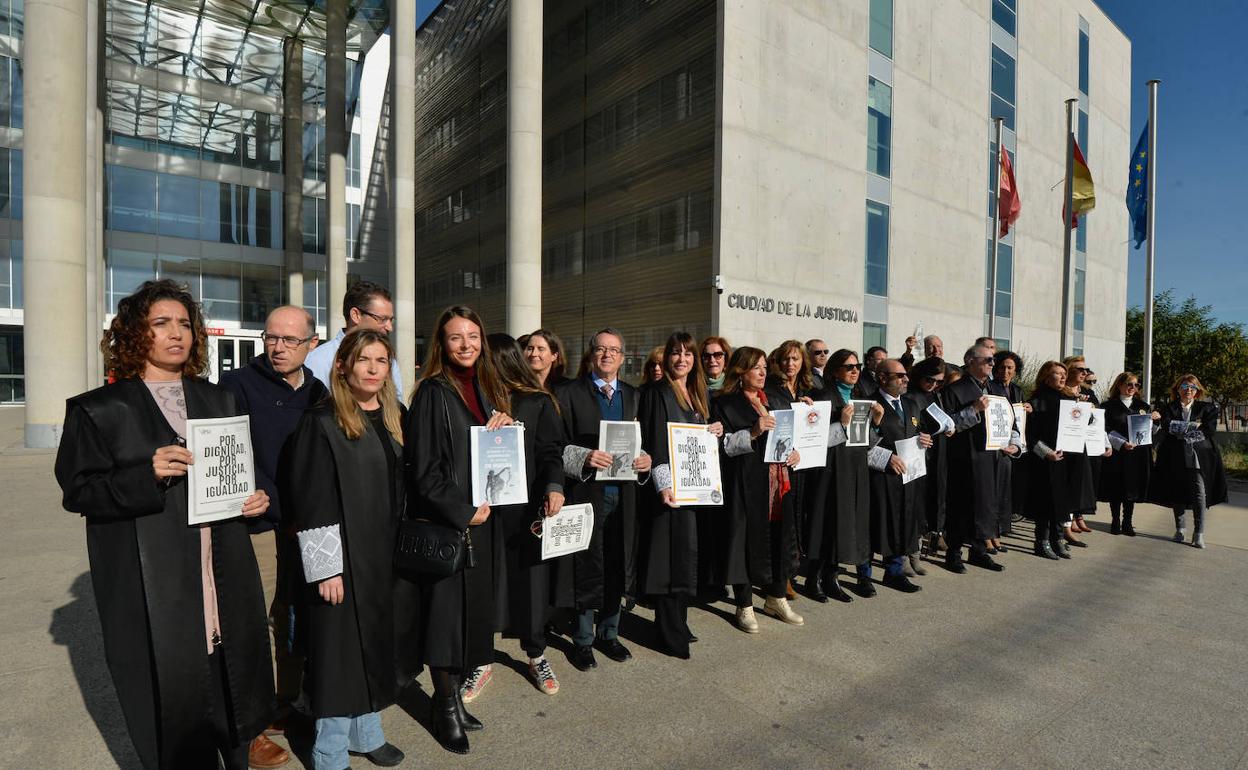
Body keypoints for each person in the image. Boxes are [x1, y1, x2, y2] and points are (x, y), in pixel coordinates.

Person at [55, 279, 273, 770]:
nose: (177, 333)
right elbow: (79, 491)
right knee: (177, 705)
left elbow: (237, 470)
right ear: (136, 333)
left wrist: (254, 496)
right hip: (159, 586)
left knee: (233, 690)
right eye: (161, 323)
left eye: (184, 324)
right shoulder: (99, 409)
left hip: (221, 573)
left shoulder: (220, 400)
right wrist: (143, 474)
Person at [281, 329, 407, 770]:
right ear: (342, 366)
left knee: (372, 647)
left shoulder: (395, 416)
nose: (373, 369)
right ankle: (329, 751)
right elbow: (310, 497)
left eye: (381, 361)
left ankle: (366, 732)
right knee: (338, 657)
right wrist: (325, 568)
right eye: (364, 360)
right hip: (342, 559)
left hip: (382, 559)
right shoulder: (322, 421)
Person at [220, 306, 327, 769]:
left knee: (295, 615)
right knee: (257, 620)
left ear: (312, 344)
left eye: (290, 340)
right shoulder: (238, 386)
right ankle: (253, 724)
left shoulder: (319, 392)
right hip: (260, 525)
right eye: (271, 338)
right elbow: (229, 452)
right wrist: (259, 496)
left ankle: (285, 704)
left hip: (305, 525)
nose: (278, 347)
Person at [404, 306, 514, 754]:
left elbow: (487, 454)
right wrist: (460, 510)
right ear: (441, 344)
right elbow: (424, 471)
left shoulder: (488, 389)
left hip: (482, 524)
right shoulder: (433, 392)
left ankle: (451, 699)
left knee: (470, 618)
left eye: (473, 335)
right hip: (453, 523)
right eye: (455, 337)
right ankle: (444, 705)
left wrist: (505, 430)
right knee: (445, 620)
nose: (466, 344)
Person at [470, 334, 569, 695]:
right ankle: (480, 658)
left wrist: (554, 487)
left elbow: (550, 452)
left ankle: (536, 653)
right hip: (482, 511)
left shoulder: (537, 401)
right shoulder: (473, 399)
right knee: (483, 584)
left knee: (530, 583)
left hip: (525, 508)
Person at [554, 328, 651, 671]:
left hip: (623, 495)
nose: (607, 355)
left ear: (623, 358)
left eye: (614, 350)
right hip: (585, 493)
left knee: (616, 562)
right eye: (600, 349)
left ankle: (609, 633)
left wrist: (645, 462)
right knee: (586, 564)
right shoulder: (568, 393)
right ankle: (582, 640)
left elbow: (643, 444)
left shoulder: (634, 396)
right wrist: (583, 457)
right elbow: (554, 446)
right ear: (591, 354)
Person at [638, 332, 724, 658]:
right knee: (668, 559)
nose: (682, 359)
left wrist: (716, 430)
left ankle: (680, 621)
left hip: (695, 489)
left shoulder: (696, 395)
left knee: (685, 557)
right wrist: (663, 484)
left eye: (688, 354)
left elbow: (701, 440)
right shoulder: (658, 393)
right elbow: (655, 442)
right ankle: (667, 628)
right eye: (676, 353)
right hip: (670, 490)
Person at [711, 347, 803, 632]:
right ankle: (745, 604)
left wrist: (795, 452)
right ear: (741, 371)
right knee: (744, 541)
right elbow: (722, 446)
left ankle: (775, 597)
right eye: (756, 368)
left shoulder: (773, 399)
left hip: (778, 482)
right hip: (745, 484)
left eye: (765, 367)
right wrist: (752, 431)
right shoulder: (725, 404)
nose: (763, 373)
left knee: (779, 537)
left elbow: (788, 437)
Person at [804, 349, 882, 602]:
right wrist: (842, 424)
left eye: (857, 366)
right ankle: (813, 578)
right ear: (834, 370)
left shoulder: (861, 397)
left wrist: (877, 423)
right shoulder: (823, 396)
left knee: (846, 524)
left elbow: (867, 444)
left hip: (855, 467)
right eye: (848, 367)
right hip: (830, 468)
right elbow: (813, 440)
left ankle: (832, 576)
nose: (855, 371)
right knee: (826, 522)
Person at [940, 345, 1022, 573]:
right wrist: (973, 410)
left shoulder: (996, 389)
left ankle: (979, 551)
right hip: (964, 458)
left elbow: (1011, 421)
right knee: (962, 505)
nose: (992, 364)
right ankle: (953, 552)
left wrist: (1015, 443)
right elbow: (947, 425)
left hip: (992, 457)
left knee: (987, 504)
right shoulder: (954, 390)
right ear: (970, 361)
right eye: (987, 359)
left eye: (992, 360)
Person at [866, 359, 932, 593]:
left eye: (906, 375)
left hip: (906, 478)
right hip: (879, 477)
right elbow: (858, 444)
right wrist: (885, 458)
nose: (906, 379)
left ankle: (894, 572)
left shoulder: (911, 405)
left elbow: (918, 432)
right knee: (875, 525)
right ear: (883, 378)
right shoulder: (869, 403)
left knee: (902, 524)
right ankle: (864, 576)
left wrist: (925, 440)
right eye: (900, 375)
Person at [1150, 375, 1228, 549]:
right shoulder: (1168, 408)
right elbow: (1166, 425)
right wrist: (1193, 426)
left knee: (1199, 493)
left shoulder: (1207, 408)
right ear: (1177, 390)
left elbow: (1209, 430)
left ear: (1197, 391)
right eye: (1184, 386)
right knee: (1176, 490)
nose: (1188, 390)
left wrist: (1179, 428)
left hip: (1199, 455)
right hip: (1174, 455)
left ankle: (1198, 533)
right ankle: (1180, 528)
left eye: (1192, 387)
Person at [766, 340, 817, 599]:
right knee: (783, 523)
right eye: (786, 359)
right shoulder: (771, 390)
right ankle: (782, 576)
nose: (790, 364)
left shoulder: (807, 389)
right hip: (780, 465)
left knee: (798, 519)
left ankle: (791, 571)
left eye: (795, 359)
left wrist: (809, 410)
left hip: (802, 465)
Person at [1025, 361, 1084, 560]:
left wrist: (1085, 411)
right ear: (1045, 377)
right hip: (1045, 459)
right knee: (1045, 501)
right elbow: (1029, 434)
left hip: (1066, 458)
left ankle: (1057, 539)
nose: (1062, 376)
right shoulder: (1037, 401)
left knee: (1061, 501)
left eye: (1064, 373)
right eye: (1057, 373)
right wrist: (1046, 452)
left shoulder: (1069, 398)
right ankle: (1041, 542)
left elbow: (1082, 423)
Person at [306, 281, 404, 397]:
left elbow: (396, 402)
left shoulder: (388, 358)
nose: (389, 327)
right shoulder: (319, 361)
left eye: (390, 320)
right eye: (382, 319)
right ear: (355, 315)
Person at [907, 356, 951, 571]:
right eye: (930, 380)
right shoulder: (911, 395)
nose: (933, 385)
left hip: (936, 455)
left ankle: (921, 546)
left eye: (939, 381)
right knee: (916, 504)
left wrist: (950, 425)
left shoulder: (936, 395)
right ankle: (910, 552)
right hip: (917, 455)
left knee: (931, 502)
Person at [1100, 372, 1157, 536]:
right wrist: (1121, 442)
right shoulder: (1108, 406)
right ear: (1119, 385)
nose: (1133, 388)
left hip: (1136, 454)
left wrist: (1155, 420)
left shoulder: (1143, 406)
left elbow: (1149, 432)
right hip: (1117, 452)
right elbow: (1105, 429)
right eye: (1129, 384)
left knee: (1132, 488)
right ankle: (1115, 520)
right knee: (1116, 487)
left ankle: (1128, 522)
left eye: (1136, 385)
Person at [990, 350, 1030, 553]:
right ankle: (989, 535)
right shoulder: (989, 387)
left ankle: (998, 532)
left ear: (1015, 371)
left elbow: (1017, 418)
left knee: (1004, 493)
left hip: (1010, 447)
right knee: (992, 493)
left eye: (1010, 368)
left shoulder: (1017, 390)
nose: (1005, 371)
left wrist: (1026, 409)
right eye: (1002, 367)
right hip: (993, 447)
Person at [1061, 355, 1101, 538]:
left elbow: (1094, 419)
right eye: (1080, 369)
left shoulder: (1088, 393)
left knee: (1078, 485)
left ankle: (1072, 521)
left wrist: (1085, 408)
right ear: (1068, 370)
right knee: (1066, 483)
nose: (1085, 373)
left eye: (1086, 370)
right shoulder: (1060, 391)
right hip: (1063, 444)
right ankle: (1065, 527)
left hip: (1082, 444)